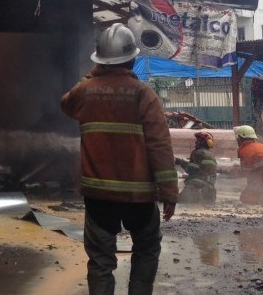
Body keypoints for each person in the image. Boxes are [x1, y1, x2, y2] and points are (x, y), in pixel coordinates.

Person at [61, 23, 178, 295]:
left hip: (99, 196)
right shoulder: (143, 93)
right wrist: (169, 192)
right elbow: (160, 145)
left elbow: (65, 104)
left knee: (101, 259)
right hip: (139, 197)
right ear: (132, 58)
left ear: (100, 60)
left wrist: (93, 75)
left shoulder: (86, 90)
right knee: (146, 249)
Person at [175, 131, 218, 204]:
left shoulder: (198, 152)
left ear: (202, 142)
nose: (195, 142)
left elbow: (192, 169)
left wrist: (180, 162)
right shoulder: (211, 156)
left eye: (198, 140)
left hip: (195, 188)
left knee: (179, 203)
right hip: (210, 191)